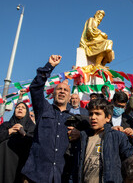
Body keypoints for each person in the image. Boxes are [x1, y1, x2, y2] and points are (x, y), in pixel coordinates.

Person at [22, 55, 79, 183]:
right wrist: (49, 66)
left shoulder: (74, 120)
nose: (62, 91)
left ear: (70, 97)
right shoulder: (43, 109)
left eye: (65, 90)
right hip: (34, 174)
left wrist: (79, 134)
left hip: (59, 176)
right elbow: (35, 88)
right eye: (59, 89)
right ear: (53, 93)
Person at [78, 98, 133, 183]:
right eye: (91, 114)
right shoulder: (84, 138)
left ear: (108, 118)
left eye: (97, 114)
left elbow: (132, 163)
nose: (93, 117)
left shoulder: (117, 137)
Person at [0, 102, 35, 183]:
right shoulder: (6, 125)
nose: (20, 108)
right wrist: (9, 132)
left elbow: (34, 145)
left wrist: (23, 133)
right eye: (17, 107)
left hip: (19, 166)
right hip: (1, 164)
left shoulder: (31, 127)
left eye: (23, 108)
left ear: (26, 112)